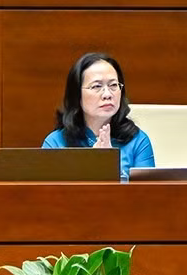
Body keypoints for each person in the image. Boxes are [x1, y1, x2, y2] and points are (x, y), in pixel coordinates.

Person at [42, 51, 154, 179]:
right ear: (77, 95)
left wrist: (111, 168)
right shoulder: (56, 143)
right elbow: (48, 196)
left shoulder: (138, 141)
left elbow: (148, 195)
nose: (107, 94)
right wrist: (93, 167)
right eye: (96, 86)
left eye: (113, 85)